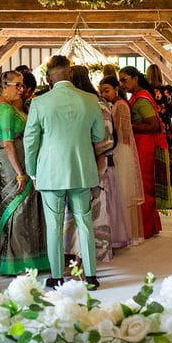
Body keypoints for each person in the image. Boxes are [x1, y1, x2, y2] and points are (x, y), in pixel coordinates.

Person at [24, 55, 104, 287]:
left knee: (54, 226)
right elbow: (99, 136)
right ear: (70, 73)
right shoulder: (90, 100)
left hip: (50, 171)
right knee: (85, 223)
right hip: (81, 169)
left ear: (49, 78)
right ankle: (90, 276)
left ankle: (57, 276)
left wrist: (32, 171)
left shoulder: (39, 103)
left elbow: (31, 141)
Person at [0, 70, 49, 275]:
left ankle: (31, 257)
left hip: (18, 161)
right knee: (17, 207)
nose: (22, 90)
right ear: (5, 86)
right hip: (11, 164)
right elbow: (7, 144)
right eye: (18, 86)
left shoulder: (8, 106)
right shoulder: (4, 109)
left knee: (26, 207)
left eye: (23, 86)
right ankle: (17, 260)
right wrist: (20, 173)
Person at [64, 66, 118, 262]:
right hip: (85, 161)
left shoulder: (96, 104)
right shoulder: (94, 103)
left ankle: (90, 253)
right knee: (82, 211)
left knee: (91, 210)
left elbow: (106, 139)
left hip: (93, 161)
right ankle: (78, 253)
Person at [118, 66, 170, 238]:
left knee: (144, 185)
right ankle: (147, 227)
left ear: (135, 78)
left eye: (124, 79)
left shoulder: (142, 99)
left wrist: (128, 126)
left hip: (145, 146)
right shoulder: (137, 97)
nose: (122, 84)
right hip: (141, 144)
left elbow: (154, 125)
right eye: (120, 80)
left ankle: (145, 229)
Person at [99, 76, 144, 246]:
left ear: (116, 89)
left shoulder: (121, 105)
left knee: (123, 191)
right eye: (101, 90)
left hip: (120, 150)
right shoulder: (110, 105)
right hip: (113, 149)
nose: (103, 94)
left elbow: (122, 132)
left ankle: (126, 232)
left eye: (107, 90)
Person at [147, 64, 172, 179]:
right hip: (165, 127)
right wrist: (166, 115)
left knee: (151, 156)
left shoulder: (145, 92)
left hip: (149, 127)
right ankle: (167, 182)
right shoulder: (168, 91)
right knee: (167, 155)